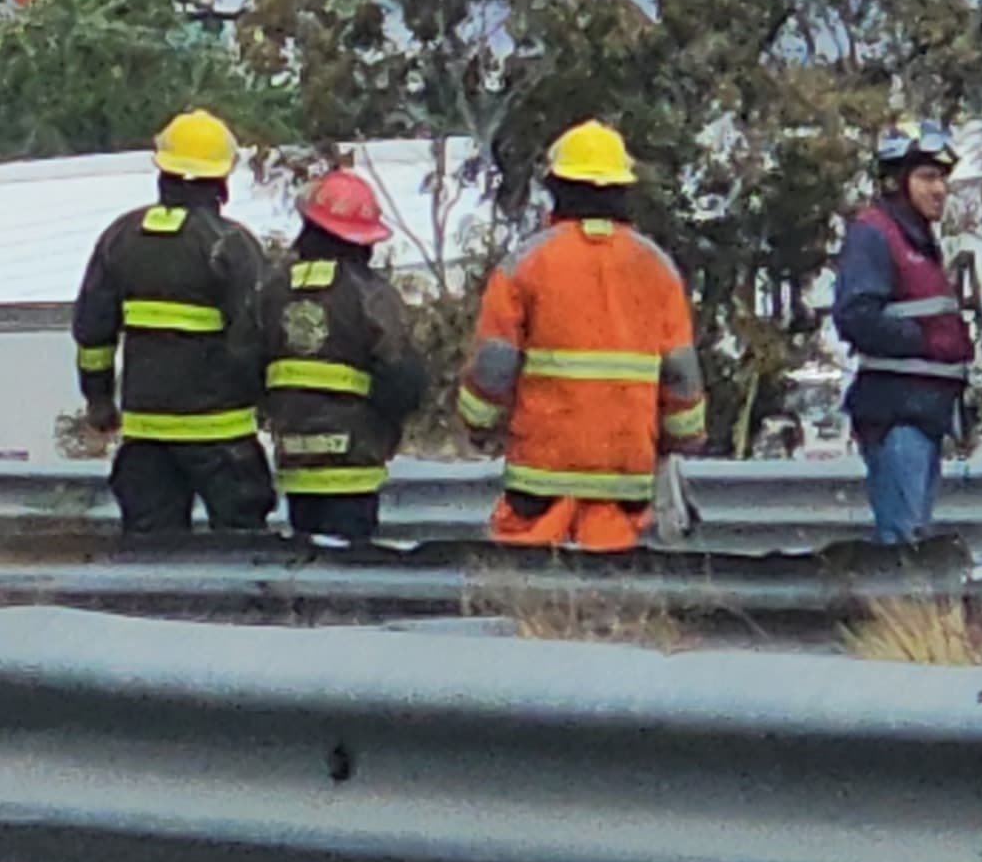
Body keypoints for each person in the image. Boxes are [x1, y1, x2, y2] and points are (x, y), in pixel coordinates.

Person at [455, 121, 704, 552]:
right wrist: (682, 438)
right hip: (625, 473)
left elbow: (494, 365)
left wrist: (478, 424)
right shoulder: (657, 268)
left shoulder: (525, 263)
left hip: (540, 473)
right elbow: (681, 374)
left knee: (527, 588)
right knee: (613, 592)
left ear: (557, 188)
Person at [73, 109, 275, 536]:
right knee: (243, 558)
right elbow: (256, 337)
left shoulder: (120, 238)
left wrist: (100, 400)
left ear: (162, 169)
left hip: (146, 438)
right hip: (225, 438)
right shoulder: (230, 245)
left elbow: (93, 333)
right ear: (221, 178)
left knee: (153, 566)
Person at [257, 169, 431, 545]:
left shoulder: (271, 290)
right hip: (354, 466)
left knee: (308, 559)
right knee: (349, 569)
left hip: (293, 461)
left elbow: (246, 364)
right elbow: (403, 381)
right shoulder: (371, 295)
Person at [831, 119, 976, 545]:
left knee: (913, 539)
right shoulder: (875, 234)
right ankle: (896, 611)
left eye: (942, 179)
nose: (940, 189)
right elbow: (857, 317)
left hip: (924, 413)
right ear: (897, 181)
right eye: (927, 177)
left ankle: (908, 612)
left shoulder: (919, 242)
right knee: (904, 543)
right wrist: (927, 341)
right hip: (897, 415)